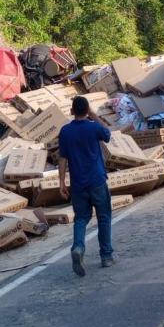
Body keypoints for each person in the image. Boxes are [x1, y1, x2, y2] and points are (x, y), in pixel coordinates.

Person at [57, 95, 114, 277]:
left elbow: (62, 159)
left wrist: (61, 182)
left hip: (78, 185)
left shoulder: (65, 131)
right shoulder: (94, 127)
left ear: (72, 111)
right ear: (87, 110)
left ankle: (78, 247)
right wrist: (93, 115)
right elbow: (108, 135)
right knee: (104, 217)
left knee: (81, 218)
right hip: (97, 180)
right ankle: (106, 256)